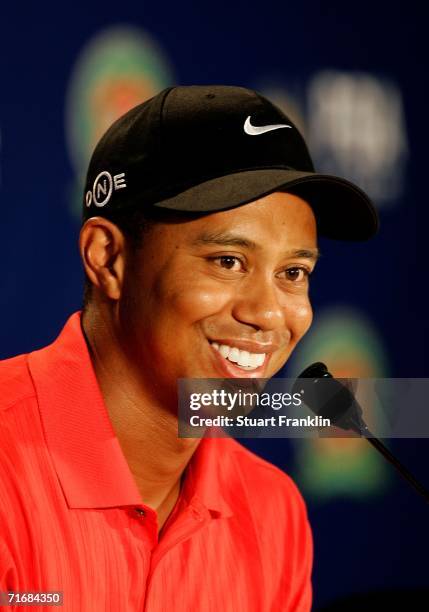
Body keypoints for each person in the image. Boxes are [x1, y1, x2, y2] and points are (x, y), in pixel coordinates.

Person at [0, 85, 378, 611]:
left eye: (293, 273)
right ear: (108, 259)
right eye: (228, 261)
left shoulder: (272, 513)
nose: (269, 314)